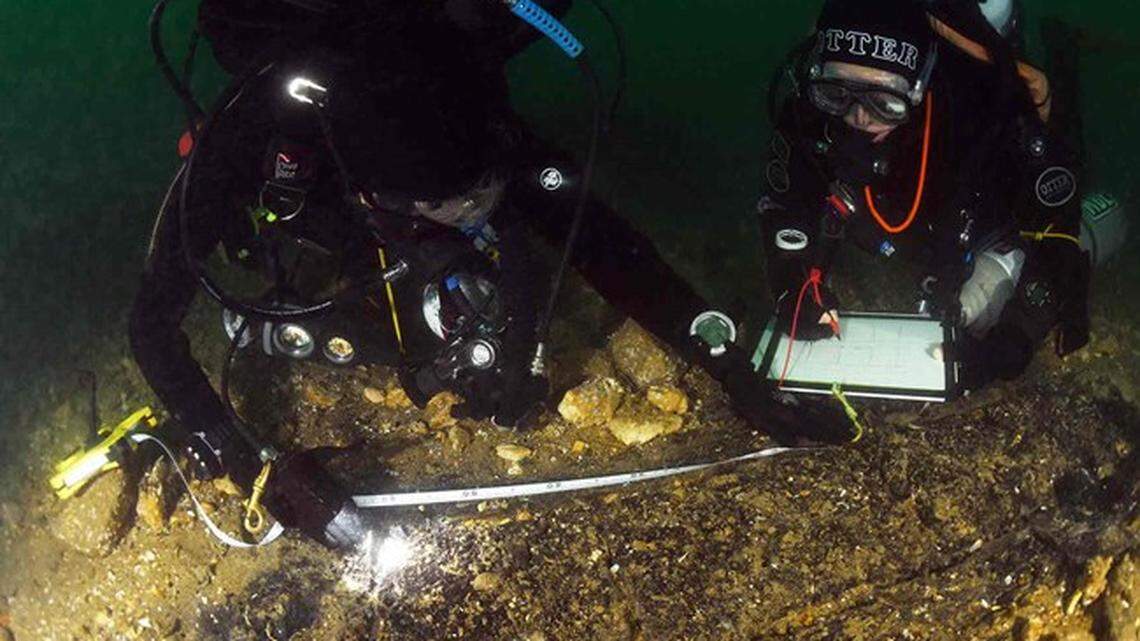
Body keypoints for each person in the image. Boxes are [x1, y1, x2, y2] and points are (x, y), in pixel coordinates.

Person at [130, 1, 851, 548]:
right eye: (445, 206)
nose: (468, 215)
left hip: (424, 160)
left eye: (478, 196)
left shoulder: (474, 102)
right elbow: (150, 328)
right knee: (382, 325)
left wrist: (728, 366)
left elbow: (608, 246)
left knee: (493, 255)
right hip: (330, 202)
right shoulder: (251, 132)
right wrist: (249, 463)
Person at [757, 0, 1091, 393]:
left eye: (885, 103)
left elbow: (1056, 234)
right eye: (836, 93)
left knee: (1069, 147)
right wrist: (790, 281)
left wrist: (1013, 339)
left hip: (979, 209)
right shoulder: (808, 112)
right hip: (905, 223)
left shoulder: (981, 116)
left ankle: (1064, 51)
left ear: (919, 88)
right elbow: (783, 201)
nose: (859, 118)